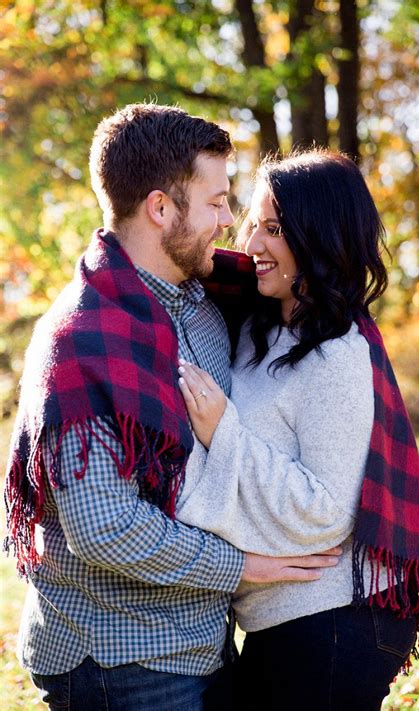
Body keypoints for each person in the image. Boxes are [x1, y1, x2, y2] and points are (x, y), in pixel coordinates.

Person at [3, 105, 341, 711]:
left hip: (205, 641)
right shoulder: (81, 343)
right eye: (215, 202)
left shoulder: (205, 305)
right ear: (161, 209)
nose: (228, 219)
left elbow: (306, 284)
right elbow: (103, 528)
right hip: (121, 659)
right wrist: (245, 566)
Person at [176, 149, 419, 710]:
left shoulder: (337, 354)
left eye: (274, 229)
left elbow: (326, 511)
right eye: (253, 224)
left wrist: (223, 432)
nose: (251, 246)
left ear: (317, 236)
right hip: (283, 619)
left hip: (335, 620)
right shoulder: (263, 331)